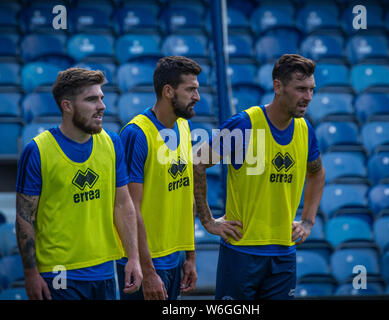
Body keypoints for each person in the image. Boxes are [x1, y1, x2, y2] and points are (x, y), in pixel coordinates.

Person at [193, 54, 325, 300]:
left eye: (311, 90)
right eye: (300, 89)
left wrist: (307, 221)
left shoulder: (305, 130)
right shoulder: (244, 124)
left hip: (284, 254)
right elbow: (197, 162)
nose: (308, 97)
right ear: (278, 86)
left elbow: (316, 173)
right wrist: (208, 221)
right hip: (242, 251)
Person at [118, 56, 241, 300]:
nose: (197, 96)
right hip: (146, 265)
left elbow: (186, 198)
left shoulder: (182, 126)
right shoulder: (137, 134)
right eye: (191, 90)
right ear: (168, 91)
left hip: (175, 260)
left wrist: (190, 257)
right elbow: (131, 209)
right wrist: (149, 271)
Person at [15, 68, 142, 300]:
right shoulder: (37, 150)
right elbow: (25, 218)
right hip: (59, 273)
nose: (102, 106)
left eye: (102, 98)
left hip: (104, 269)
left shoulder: (112, 143)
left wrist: (133, 258)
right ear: (67, 106)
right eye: (92, 99)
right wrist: (31, 274)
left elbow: (123, 205)